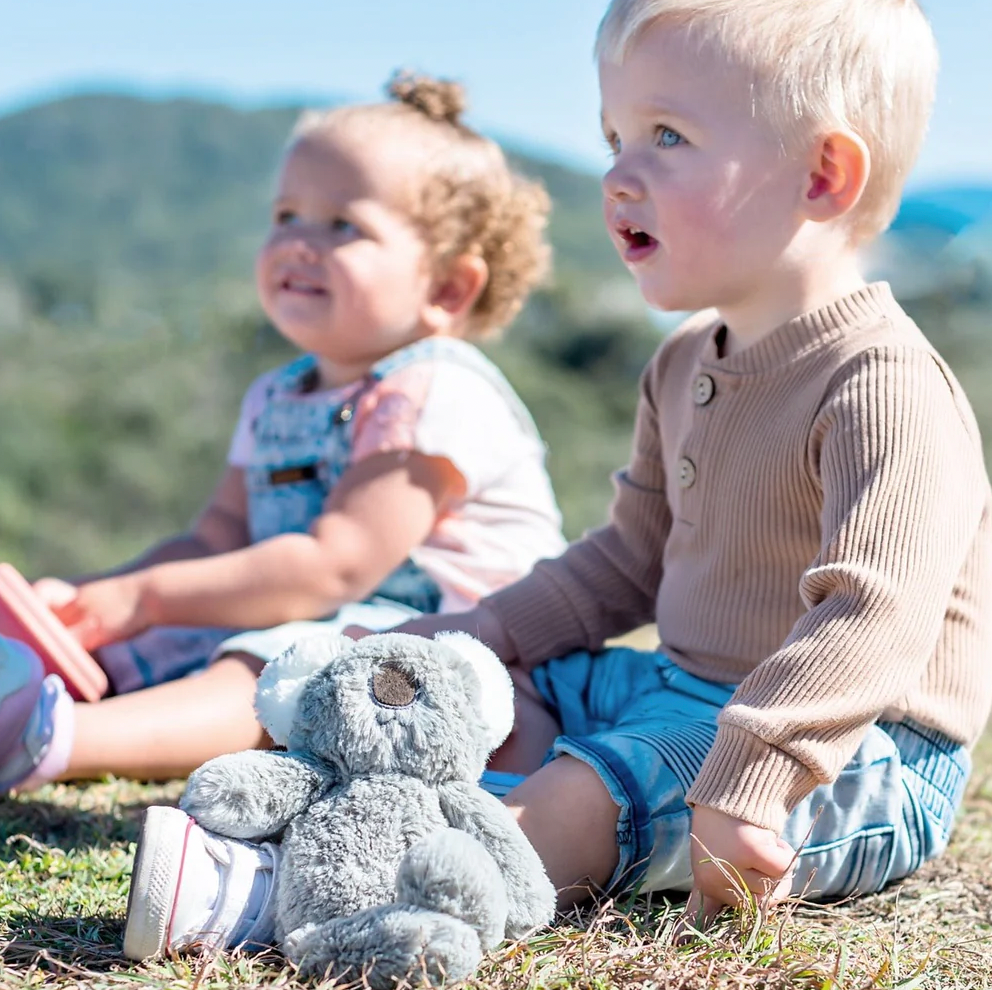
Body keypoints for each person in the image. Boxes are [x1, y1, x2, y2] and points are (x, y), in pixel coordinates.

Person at [122, 0, 992, 959]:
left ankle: (298, 896)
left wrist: (752, 780)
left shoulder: (883, 384)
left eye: (668, 135)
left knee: (597, 785)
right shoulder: (682, 366)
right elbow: (629, 560)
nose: (619, 173)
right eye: (614, 136)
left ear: (822, 174)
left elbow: (873, 618)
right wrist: (482, 637)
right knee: (471, 698)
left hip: (853, 749)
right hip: (680, 684)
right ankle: (370, 814)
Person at [0, 72, 566, 797]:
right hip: (316, 610)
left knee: (281, 664)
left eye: (343, 226)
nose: (300, 242)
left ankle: (53, 737)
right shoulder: (277, 393)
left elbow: (337, 565)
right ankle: (50, 679)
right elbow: (214, 543)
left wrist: (145, 597)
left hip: (455, 647)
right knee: (170, 632)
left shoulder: (437, 389)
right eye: (287, 215)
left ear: (447, 288)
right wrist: (100, 601)